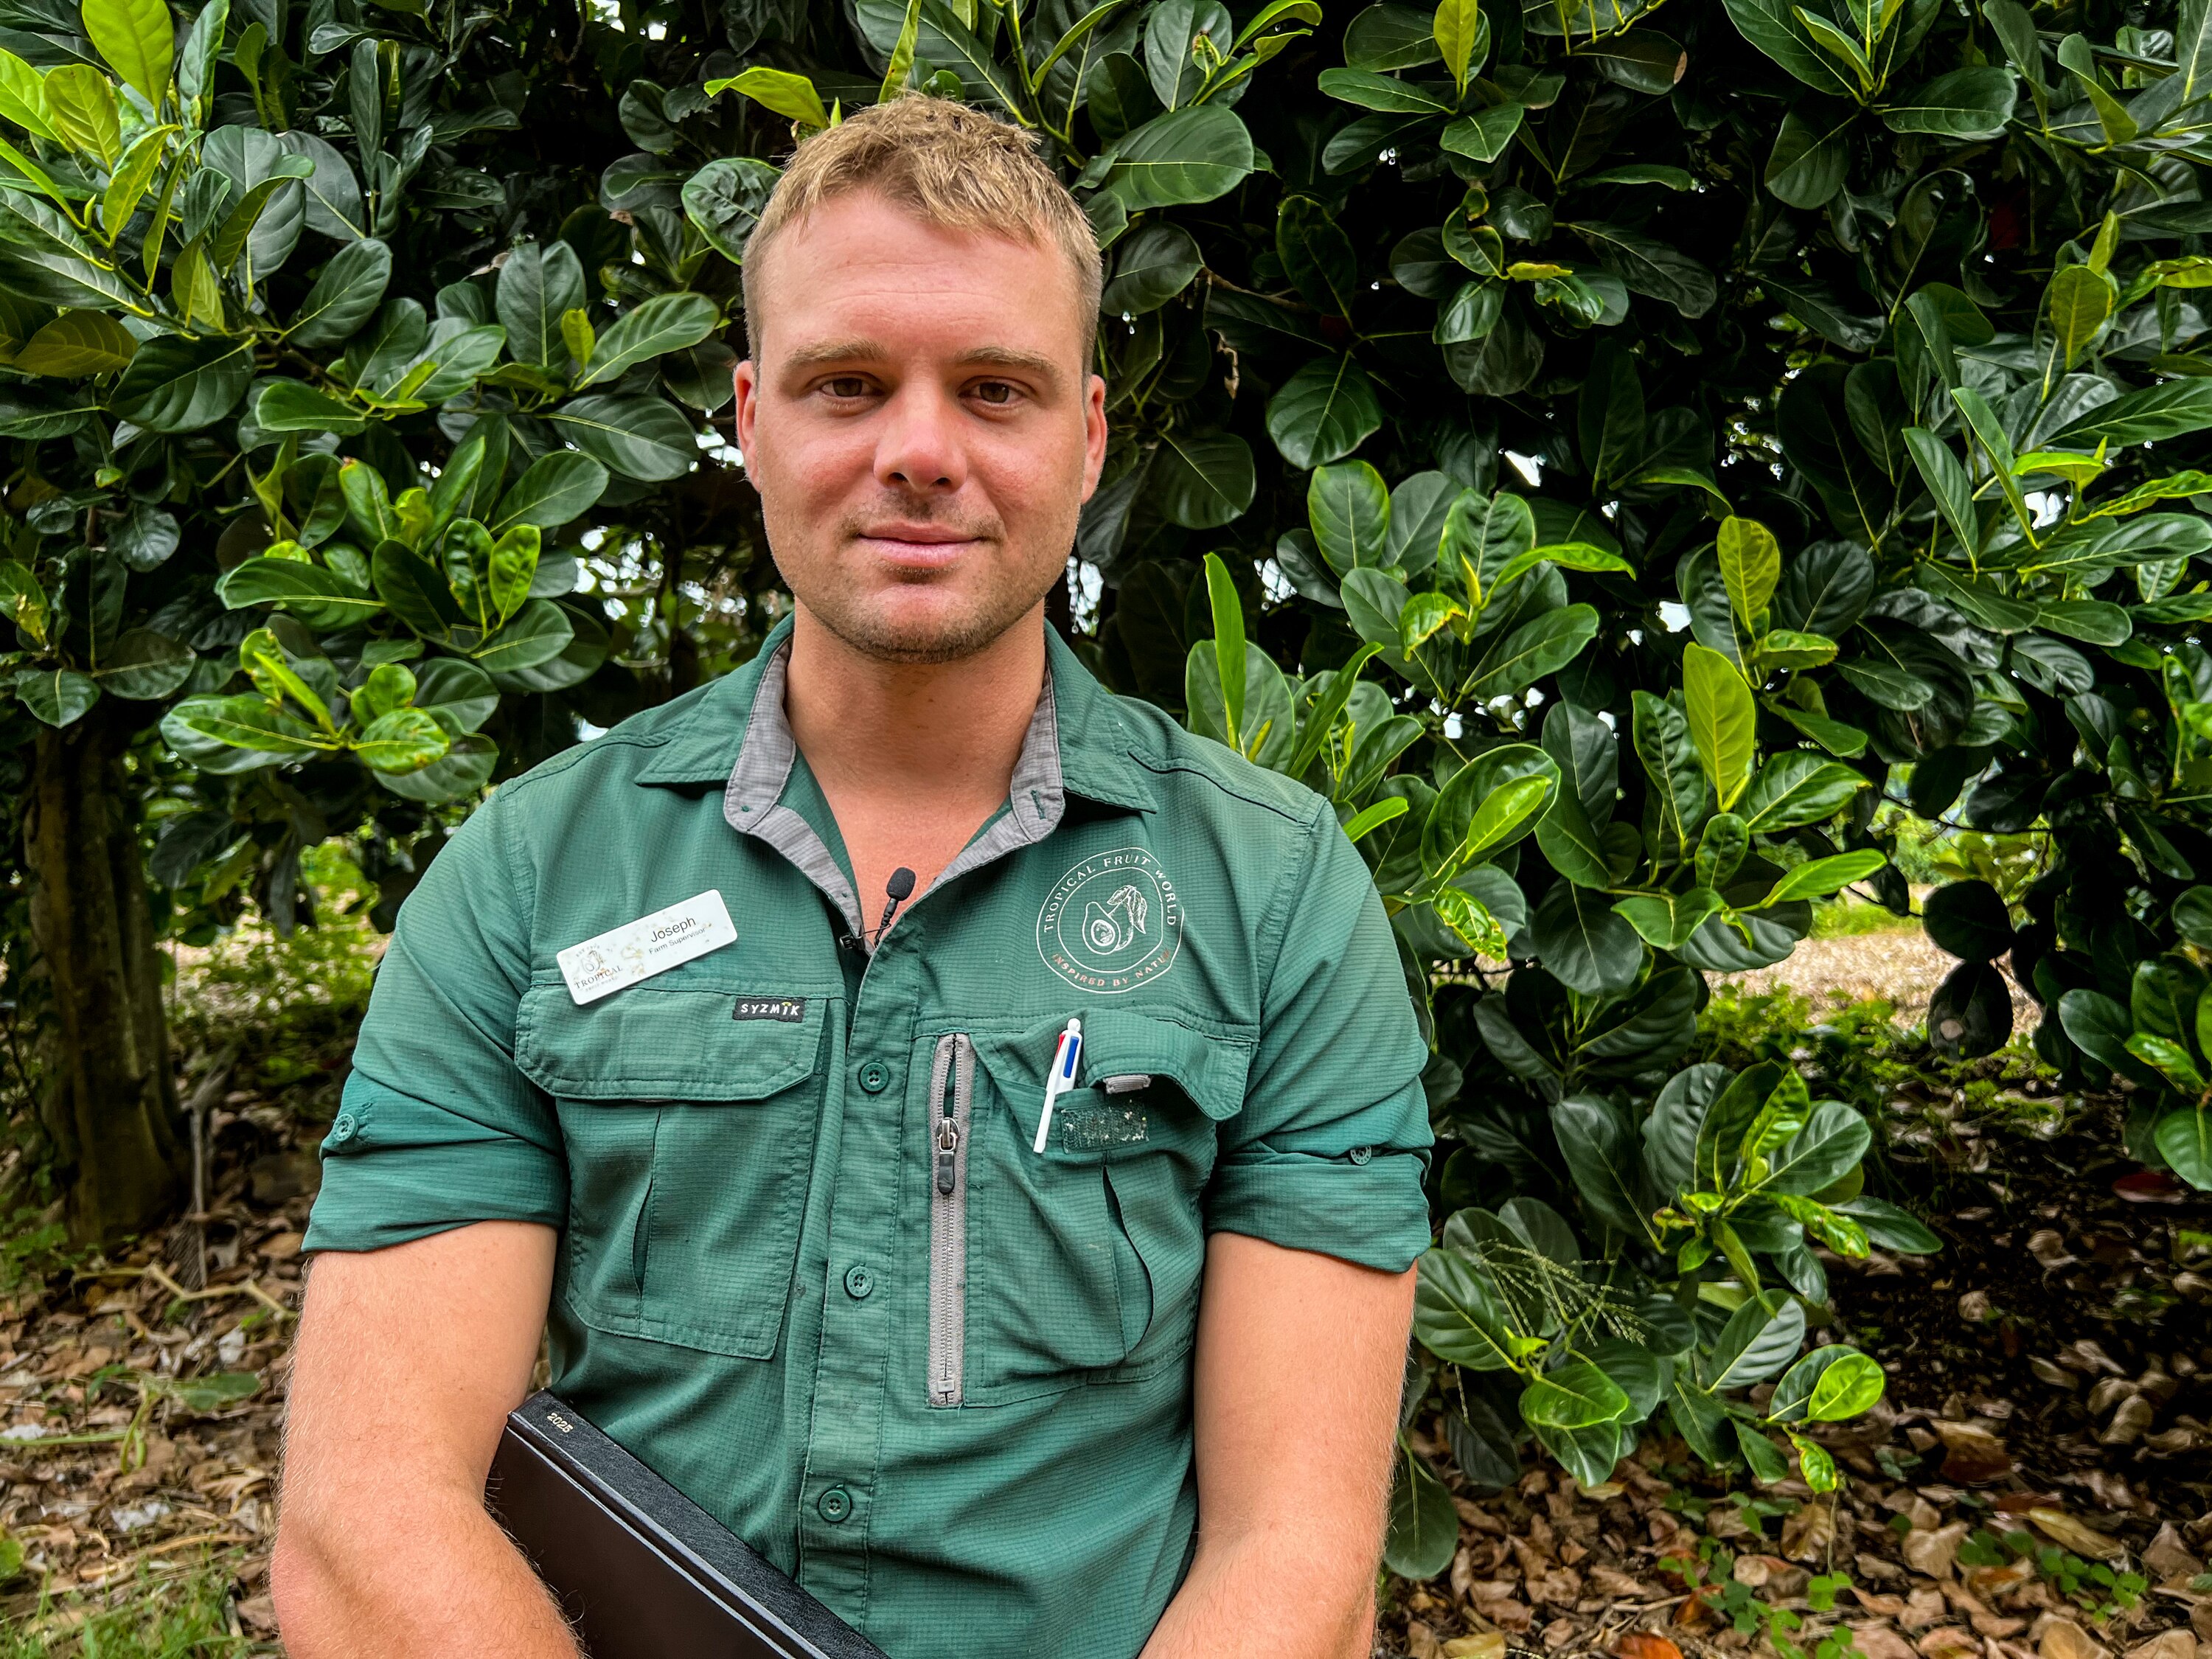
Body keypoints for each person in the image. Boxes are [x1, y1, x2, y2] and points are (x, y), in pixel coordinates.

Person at [271, 94, 1434, 1659]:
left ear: (1085, 438)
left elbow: (1297, 1561)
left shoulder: (1276, 897)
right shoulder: (531, 874)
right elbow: (370, 1516)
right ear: (751, 419)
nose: (920, 452)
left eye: (996, 389)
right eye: (847, 384)